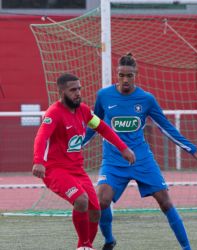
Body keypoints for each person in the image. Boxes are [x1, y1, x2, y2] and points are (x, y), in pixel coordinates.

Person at [83, 53, 197, 250]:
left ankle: (187, 248)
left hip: (142, 160)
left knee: (165, 202)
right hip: (114, 161)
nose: (125, 79)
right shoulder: (104, 96)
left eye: (130, 75)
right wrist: (76, 145)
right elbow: (94, 125)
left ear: (136, 75)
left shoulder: (146, 99)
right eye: (122, 75)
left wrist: (191, 149)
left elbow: (165, 126)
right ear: (117, 74)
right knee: (101, 201)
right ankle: (109, 240)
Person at [32, 73, 136, 250]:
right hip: (55, 170)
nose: (78, 93)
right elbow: (41, 137)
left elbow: (102, 127)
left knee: (95, 210)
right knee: (81, 200)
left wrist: (123, 148)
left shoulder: (84, 110)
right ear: (62, 91)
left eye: (79, 89)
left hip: (77, 170)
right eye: (73, 90)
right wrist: (38, 161)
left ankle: (85, 245)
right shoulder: (54, 112)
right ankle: (84, 246)